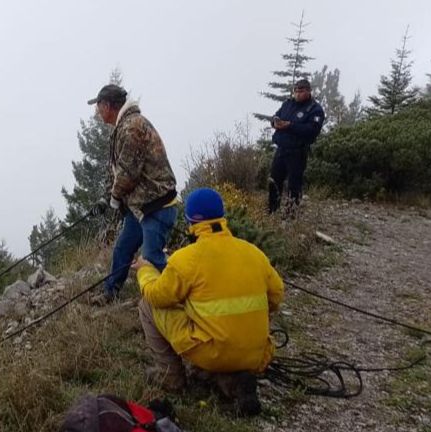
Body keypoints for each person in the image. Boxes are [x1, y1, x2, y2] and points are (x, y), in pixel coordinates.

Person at [133, 188, 284, 415]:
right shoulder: (254, 253)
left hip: (212, 352)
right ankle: (230, 381)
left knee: (147, 305)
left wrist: (145, 271)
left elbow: (156, 296)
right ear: (222, 217)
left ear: (190, 222)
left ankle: (170, 376)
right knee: (213, 325)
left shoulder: (186, 259)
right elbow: (276, 296)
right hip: (257, 354)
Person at [87, 84, 179, 303]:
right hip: (141, 207)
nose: (97, 112)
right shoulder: (124, 127)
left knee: (153, 258)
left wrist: (114, 199)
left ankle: (183, 294)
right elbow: (118, 172)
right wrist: (105, 199)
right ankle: (110, 294)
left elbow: (128, 172)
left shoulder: (132, 127)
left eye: (98, 106)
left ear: (108, 105)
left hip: (157, 206)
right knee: (123, 249)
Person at [268, 78, 325, 214]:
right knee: (274, 181)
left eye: (301, 91)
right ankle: (272, 211)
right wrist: (275, 122)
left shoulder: (315, 109)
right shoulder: (288, 104)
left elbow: (312, 130)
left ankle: (292, 214)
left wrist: (290, 125)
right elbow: (276, 116)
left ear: (309, 91)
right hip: (281, 149)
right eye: (296, 91)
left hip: (298, 152)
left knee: (294, 184)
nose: (298, 94)